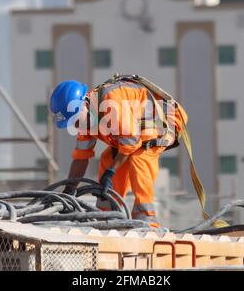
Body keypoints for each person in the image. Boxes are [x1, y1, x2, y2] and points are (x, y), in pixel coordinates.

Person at [50, 75, 188, 227]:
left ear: (83, 105)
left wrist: (110, 172)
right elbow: (81, 157)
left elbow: (131, 142)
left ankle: (147, 219)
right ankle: (106, 215)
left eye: (75, 121)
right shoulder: (86, 119)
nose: (76, 127)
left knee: (139, 156)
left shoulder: (110, 103)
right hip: (134, 131)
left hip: (164, 119)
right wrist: (69, 190)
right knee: (108, 159)